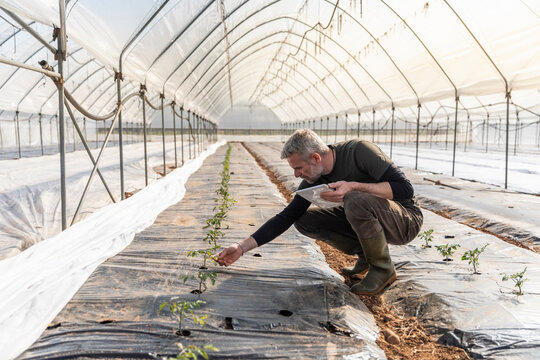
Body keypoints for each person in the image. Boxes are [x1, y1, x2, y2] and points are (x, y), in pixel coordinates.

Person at [217, 129, 423, 296]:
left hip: (405, 219)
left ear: (315, 157)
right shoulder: (313, 179)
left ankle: (382, 269)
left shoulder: (359, 151)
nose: (296, 174)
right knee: (304, 219)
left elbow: (405, 189)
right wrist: (241, 247)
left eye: (298, 167)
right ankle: (366, 255)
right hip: (372, 217)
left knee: (355, 198)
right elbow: (287, 216)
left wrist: (353, 186)